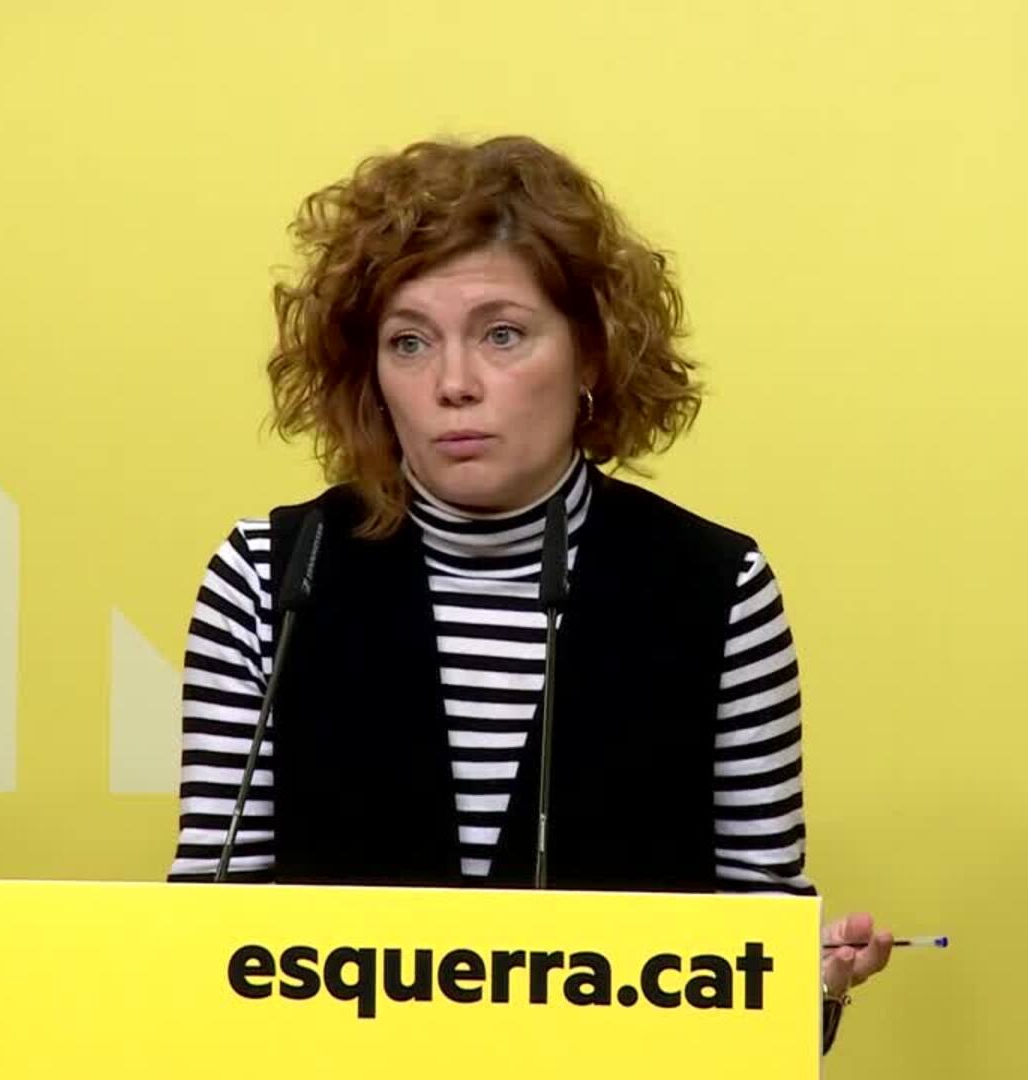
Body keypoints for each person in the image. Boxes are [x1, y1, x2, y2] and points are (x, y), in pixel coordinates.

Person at [166, 134, 892, 1050]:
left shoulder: (716, 590)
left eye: (501, 334)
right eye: (409, 342)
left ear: (590, 353)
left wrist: (812, 987)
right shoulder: (272, 577)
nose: (453, 385)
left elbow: (758, 977)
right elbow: (203, 951)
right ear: (370, 374)